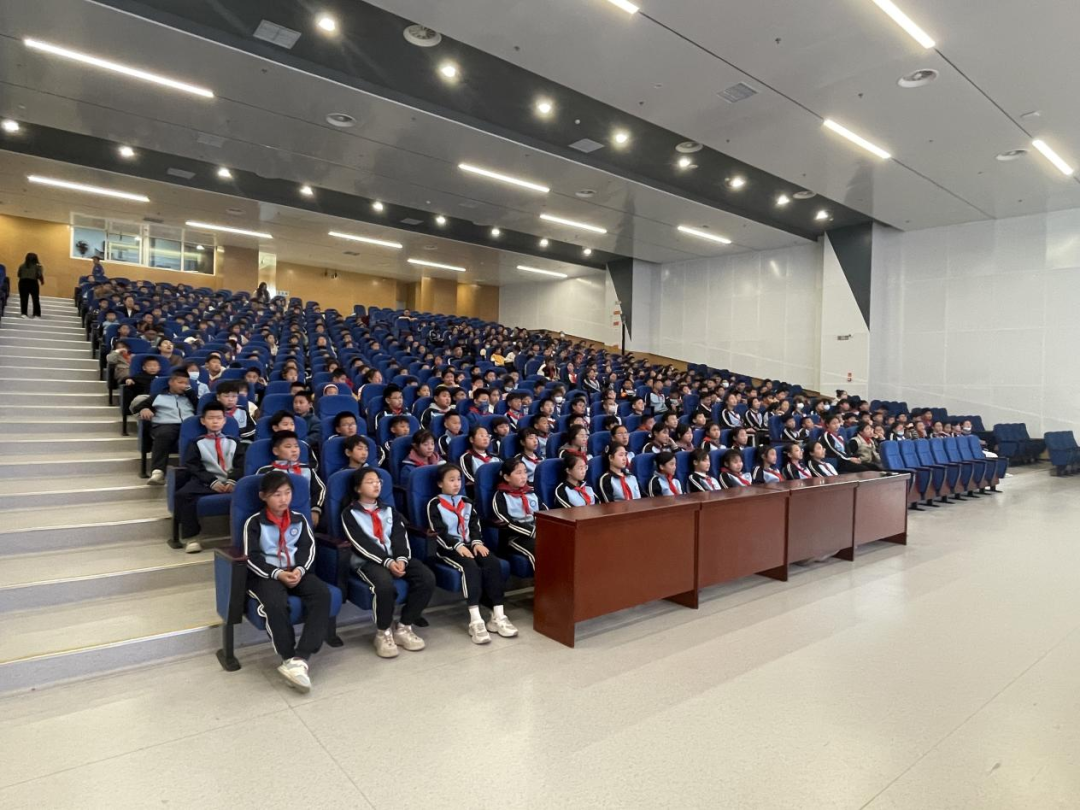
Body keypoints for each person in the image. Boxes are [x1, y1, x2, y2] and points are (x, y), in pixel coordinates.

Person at [243, 471, 331, 693]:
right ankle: (288, 656)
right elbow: (251, 557)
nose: (284, 499)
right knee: (275, 603)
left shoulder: (299, 519)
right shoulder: (254, 522)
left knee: (322, 594)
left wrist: (300, 570)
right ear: (263, 496)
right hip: (266, 574)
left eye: (287, 493)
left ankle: (301, 657)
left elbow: (308, 549)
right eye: (277, 494)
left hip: (296, 571)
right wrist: (277, 574)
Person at [342, 467, 435, 658]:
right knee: (384, 585)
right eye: (370, 482)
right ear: (358, 488)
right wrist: (387, 562)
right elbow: (360, 543)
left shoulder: (389, 510)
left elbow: (399, 535)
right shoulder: (350, 513)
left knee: (426, 577)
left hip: (394, 557)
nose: (376, 485)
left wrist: (401, 558)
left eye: (378, 481)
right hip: (368, 560)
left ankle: (404, 626)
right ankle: (383, 632)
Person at [427, 464, 517, 644]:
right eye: (451, 480)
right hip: (449, 548)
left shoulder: (467, 502)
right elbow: (439, 531)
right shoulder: (434, 504)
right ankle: (475, 620)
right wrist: (457, 545)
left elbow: (474, 525)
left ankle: (498, 615)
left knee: (492, 562)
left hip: (470, 544)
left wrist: (476, 542)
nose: (456, 484)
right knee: (471, 567)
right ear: (440, 483)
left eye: (458, 480)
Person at [174, 401, 242, 552]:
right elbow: (193, 465)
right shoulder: (196, 442)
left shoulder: (235, 442)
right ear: (203, 421)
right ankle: (192, 537)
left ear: (224, 421)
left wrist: (233, 481)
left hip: (232, 481)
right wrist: (211, 481)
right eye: (211, 418)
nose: (215, 421)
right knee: (183, 495)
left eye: (219, 418)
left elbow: (241, 464)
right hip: (206, 481)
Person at [255, 431, 326, 527]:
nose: (294, 450)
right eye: (288, 447)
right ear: (276, 451)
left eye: (296, 446)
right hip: (276, 515)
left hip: (305, 512)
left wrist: (315, 509)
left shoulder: (307, 469)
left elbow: (320, 490)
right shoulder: (266, 471)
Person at [140, 368, 198, 484]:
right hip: (165, 424)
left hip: (188, 425)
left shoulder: (189, 397)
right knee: (164, 434)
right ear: (171, 382)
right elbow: (139, 406)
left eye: (186, 383)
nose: (184, 386)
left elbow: (200, 410)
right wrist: (144, 408)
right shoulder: (158, 396)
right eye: (180, 382)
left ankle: (196, 473)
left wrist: (192, 395)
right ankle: (158, 472)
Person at [491, 457, 539, 566]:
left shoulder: (530, 492)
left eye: (525, 472)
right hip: (514, 537)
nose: (523, 476)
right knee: (540, 549)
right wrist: (532, 532)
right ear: (507, 477)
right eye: (518, 473)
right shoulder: (501, 496)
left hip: (536, 531)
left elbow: (544, 512)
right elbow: (506, 521)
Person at [17, 252, 44, 319]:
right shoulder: (38, 266)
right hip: (33, 282)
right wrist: (42, 281)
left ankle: (24, 313)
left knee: (23, 298)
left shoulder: (22, 266)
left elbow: (18, 275)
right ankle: (36, 314)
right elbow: (39, 275)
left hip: (23, 282)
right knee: (35, 299)